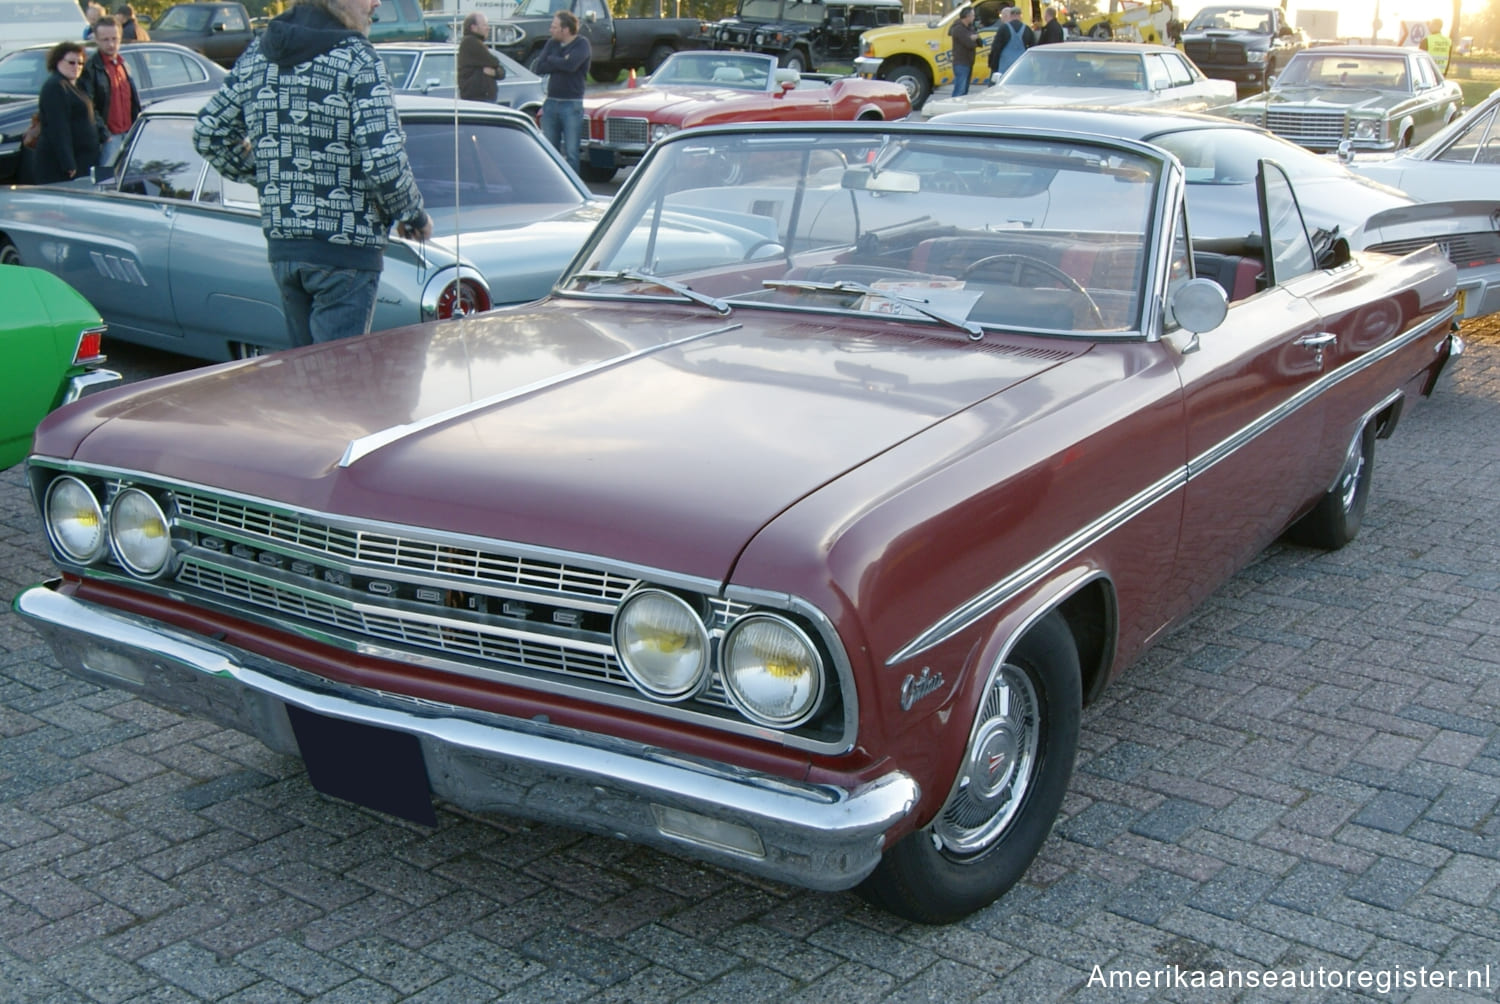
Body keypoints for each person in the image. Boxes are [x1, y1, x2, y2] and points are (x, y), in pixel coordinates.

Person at [193, 0, 433, 348]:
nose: (377, 2)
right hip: (345, 251)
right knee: (336, 385)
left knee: (307, 378)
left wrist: (274, 177)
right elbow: (383, 158)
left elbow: (209, 132)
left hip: (285, 246)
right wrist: (413, 214)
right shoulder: (357, 58)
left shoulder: (258, 54)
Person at [33, 41, 99, 184]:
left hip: (83, 158)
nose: (77, 67)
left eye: (80, 63)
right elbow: (58, 128)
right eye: (71, 62)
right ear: (58, 61)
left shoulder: (74, 85)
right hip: (62, 166)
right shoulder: (55, 86)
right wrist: (68, 163)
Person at [80, 17, 141, 168]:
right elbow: (88, 106)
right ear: (97, 40)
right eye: (105, 39)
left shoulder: (123, 64)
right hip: (109, 138)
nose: (111, 44)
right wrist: (104, 134)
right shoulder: (91, 68)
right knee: (105, 181)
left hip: (127, 133)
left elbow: (132, 101)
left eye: (115, 39)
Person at [534, 10, 590, 172]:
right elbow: (540, 66)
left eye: (554, 27)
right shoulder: (552, 43)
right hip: (551, 102)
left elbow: (571, 66)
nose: (551, 30)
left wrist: (553, 59)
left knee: (572, 152)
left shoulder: (582, 44)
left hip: (571, 104)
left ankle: (573, 187)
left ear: (565, 30)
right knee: (550, 150)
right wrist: (561, 60)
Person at [457, 10, 503, 102]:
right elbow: (494, 61)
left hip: (484, 97)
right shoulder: (470, 42)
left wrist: (495, 73)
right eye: (484, 25)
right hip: (477, 98)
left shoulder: (479, 43)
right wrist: (496, 70)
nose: (488, 28)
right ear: (473, 27)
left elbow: (502, 71)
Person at [987, 6, 1034, 81]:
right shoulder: (1027, 29)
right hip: (1021, 66)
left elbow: (996, 48)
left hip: (1005, 67)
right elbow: (1032, 48)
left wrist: (993, 65)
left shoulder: (1003, 28)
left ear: (1011, 15)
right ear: (1020, 15)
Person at [948, 5, 981, 97]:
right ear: (967, 16)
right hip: (961, 63)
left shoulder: (970, 27)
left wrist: (975, 38)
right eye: (973, 15)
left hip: (969, 62)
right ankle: (953, 107)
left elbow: (979, 42)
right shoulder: (958, 28)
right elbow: (969, 44)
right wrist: (972, 38)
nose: (974, 18)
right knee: (960, 90)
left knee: (965, 91)